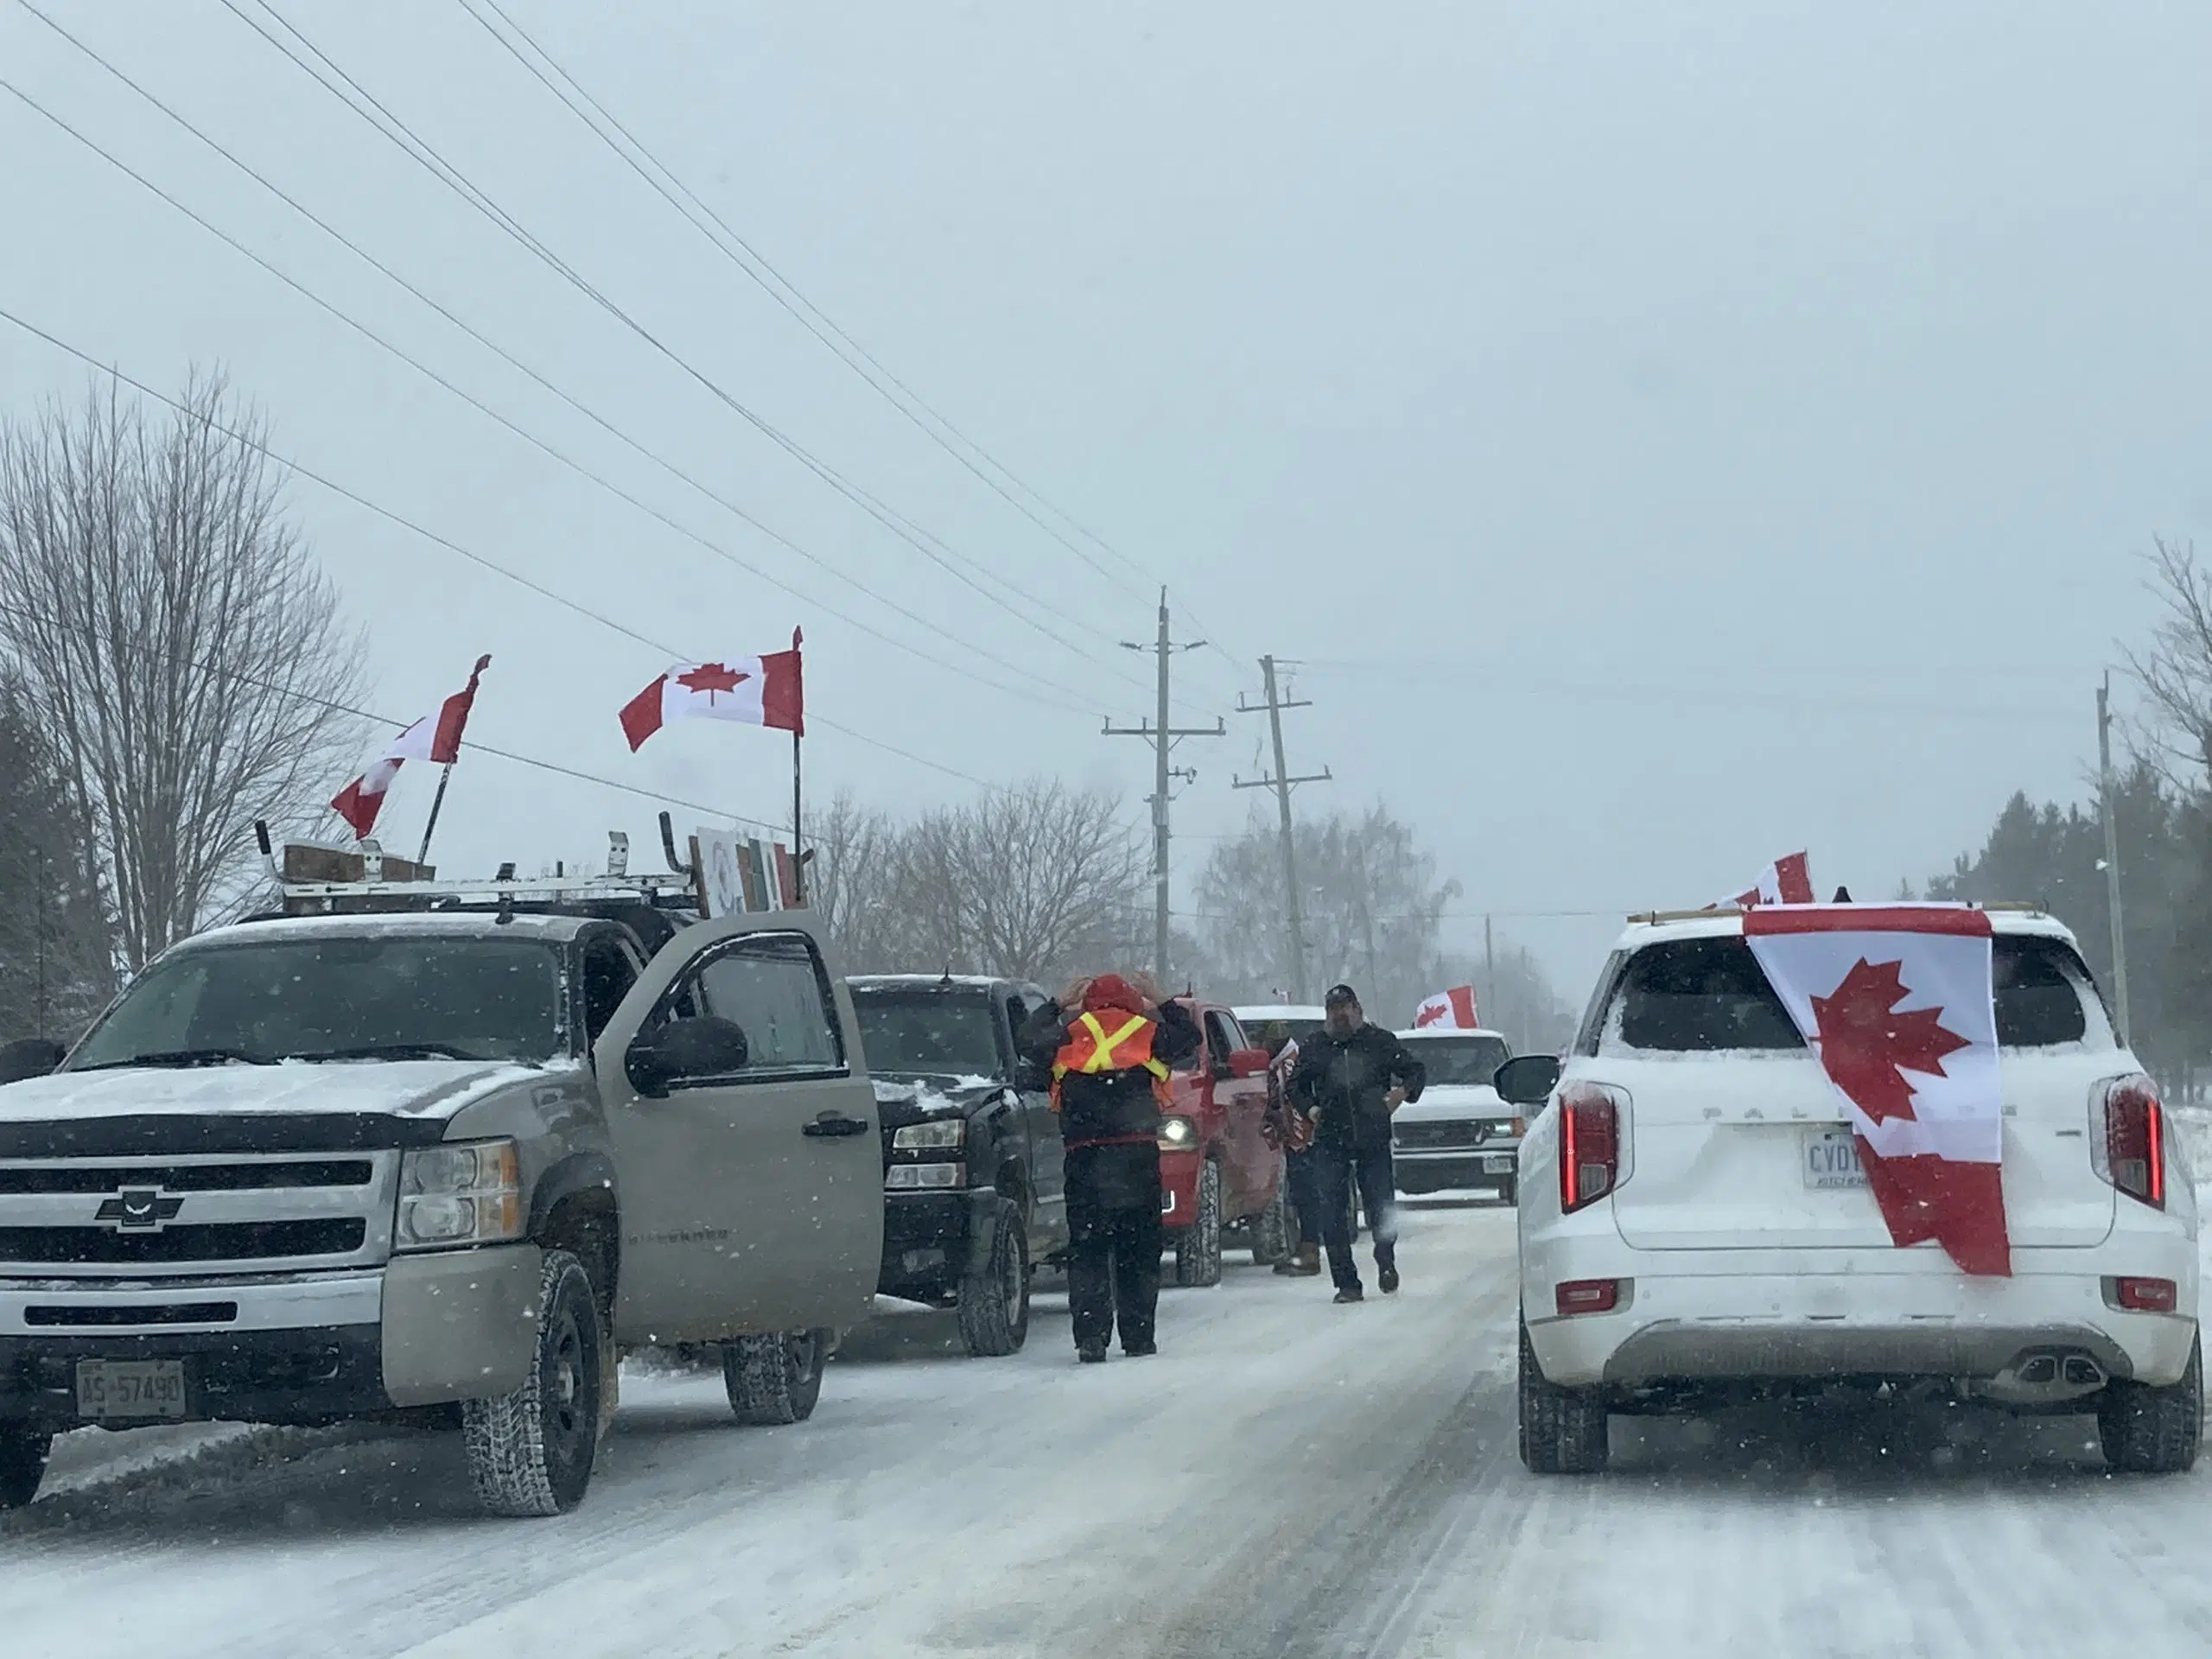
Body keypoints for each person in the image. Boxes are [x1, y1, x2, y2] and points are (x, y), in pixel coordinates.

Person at [1020, 973, 1201, 1363]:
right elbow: (1190, 1038)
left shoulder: (1068, 1034)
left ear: (1087, 1002)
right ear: (1132, 1001)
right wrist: (1162, 998)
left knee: (1088, 1250)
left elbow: (1027, 1042)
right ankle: (1138, 1338)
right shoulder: (1148, 1032)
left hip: (1085, 1158)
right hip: (1137, 1157)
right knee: (1138, 1250)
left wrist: (1056, 1003)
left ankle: (1091, 1338)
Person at [1287, 983, 1426, 1303]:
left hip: (1372, 1137)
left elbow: (1415, 1071)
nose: (1339, 1016)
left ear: (1358, 1010)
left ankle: (1385, 1258)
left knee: (1380, 1206)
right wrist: (1310, 1108)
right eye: (1333, 1010)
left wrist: (1400, 1094)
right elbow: (1295, 1086)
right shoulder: (1315, 1046)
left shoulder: (1379, 1042)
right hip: (1329, 1139)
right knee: (1332, 1213)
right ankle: (1346, 1284)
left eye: (1345, 1009)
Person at [1262, 1031, 1323, 1277]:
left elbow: (1293, 1103)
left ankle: (1309, 1252)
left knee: (1304, 1196)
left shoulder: (1289, 1064)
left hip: (1303, 1142)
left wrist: (1298, 1140)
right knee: (1299, 1197)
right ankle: (1301, 1250)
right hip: (1297, 1140)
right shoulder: (1282, 1062)